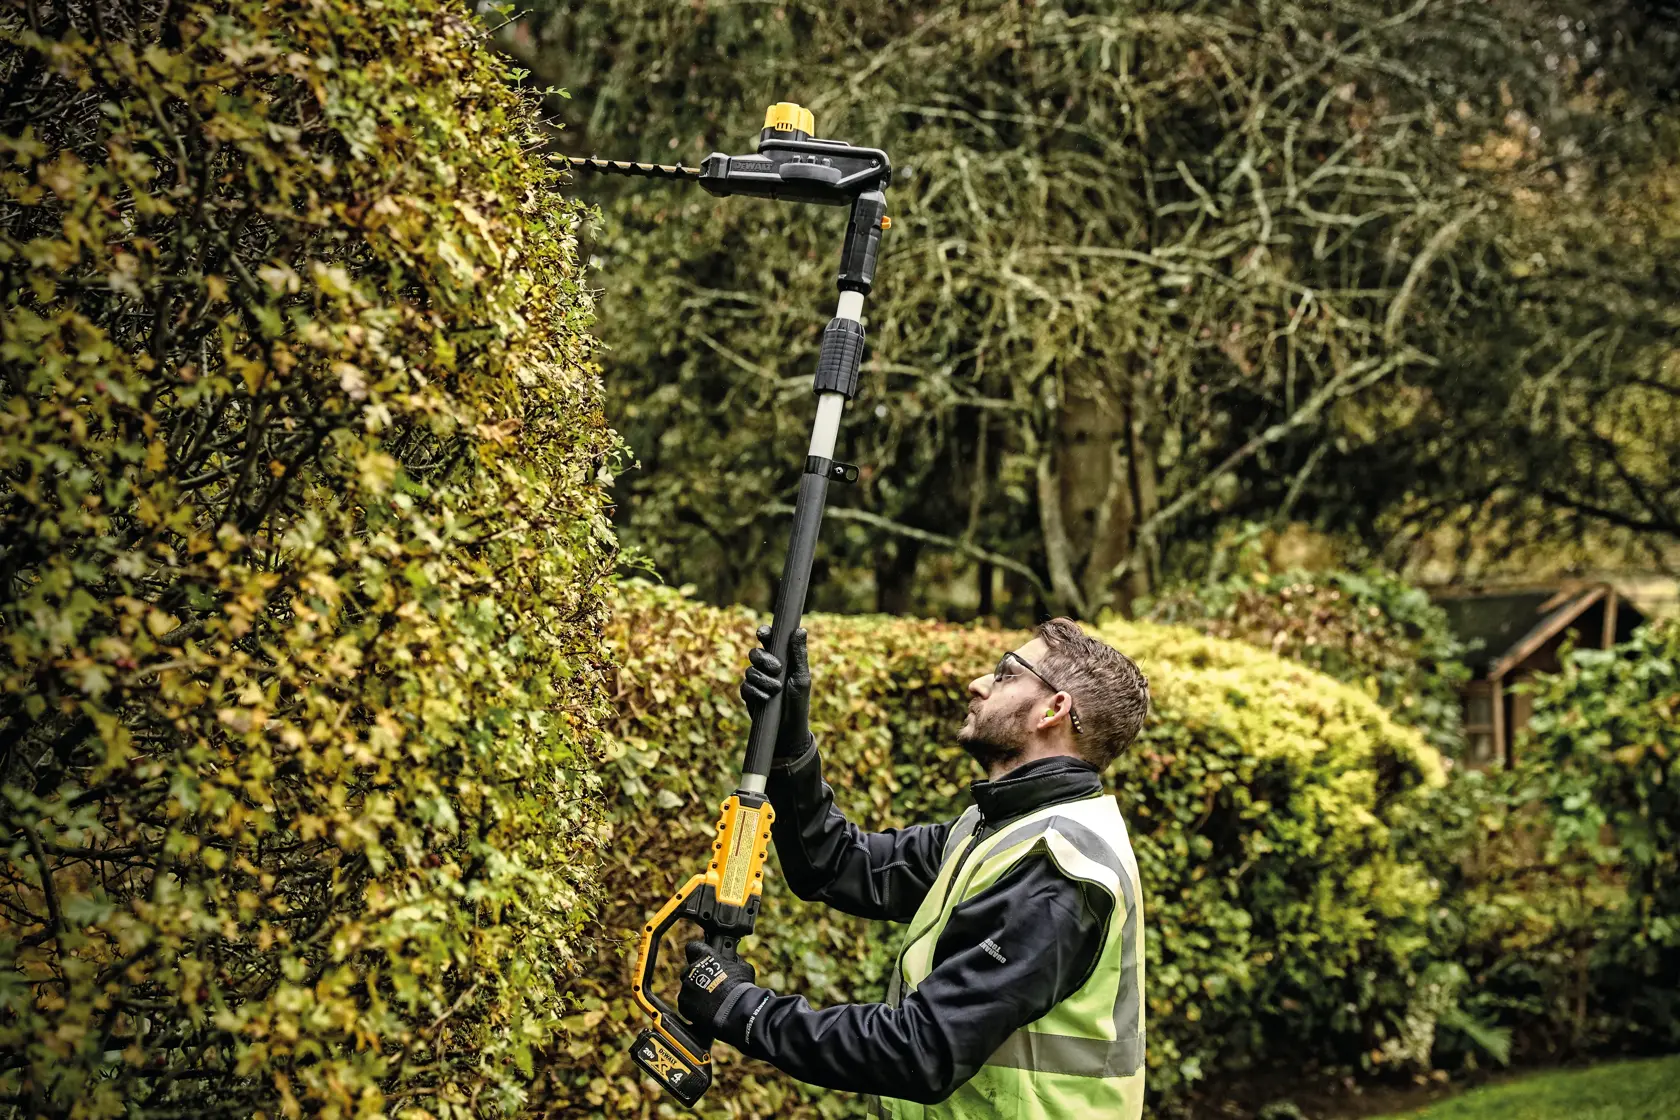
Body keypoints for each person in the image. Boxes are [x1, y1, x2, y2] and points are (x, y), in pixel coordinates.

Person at [677, 618, 1151, 1119]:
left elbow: (920, 1050)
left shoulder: (1059, 869)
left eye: (1006, 673)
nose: (978, 684)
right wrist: (789, 744)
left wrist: (746, 1011)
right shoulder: (995, 829)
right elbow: (837, 864)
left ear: (1053, 710)